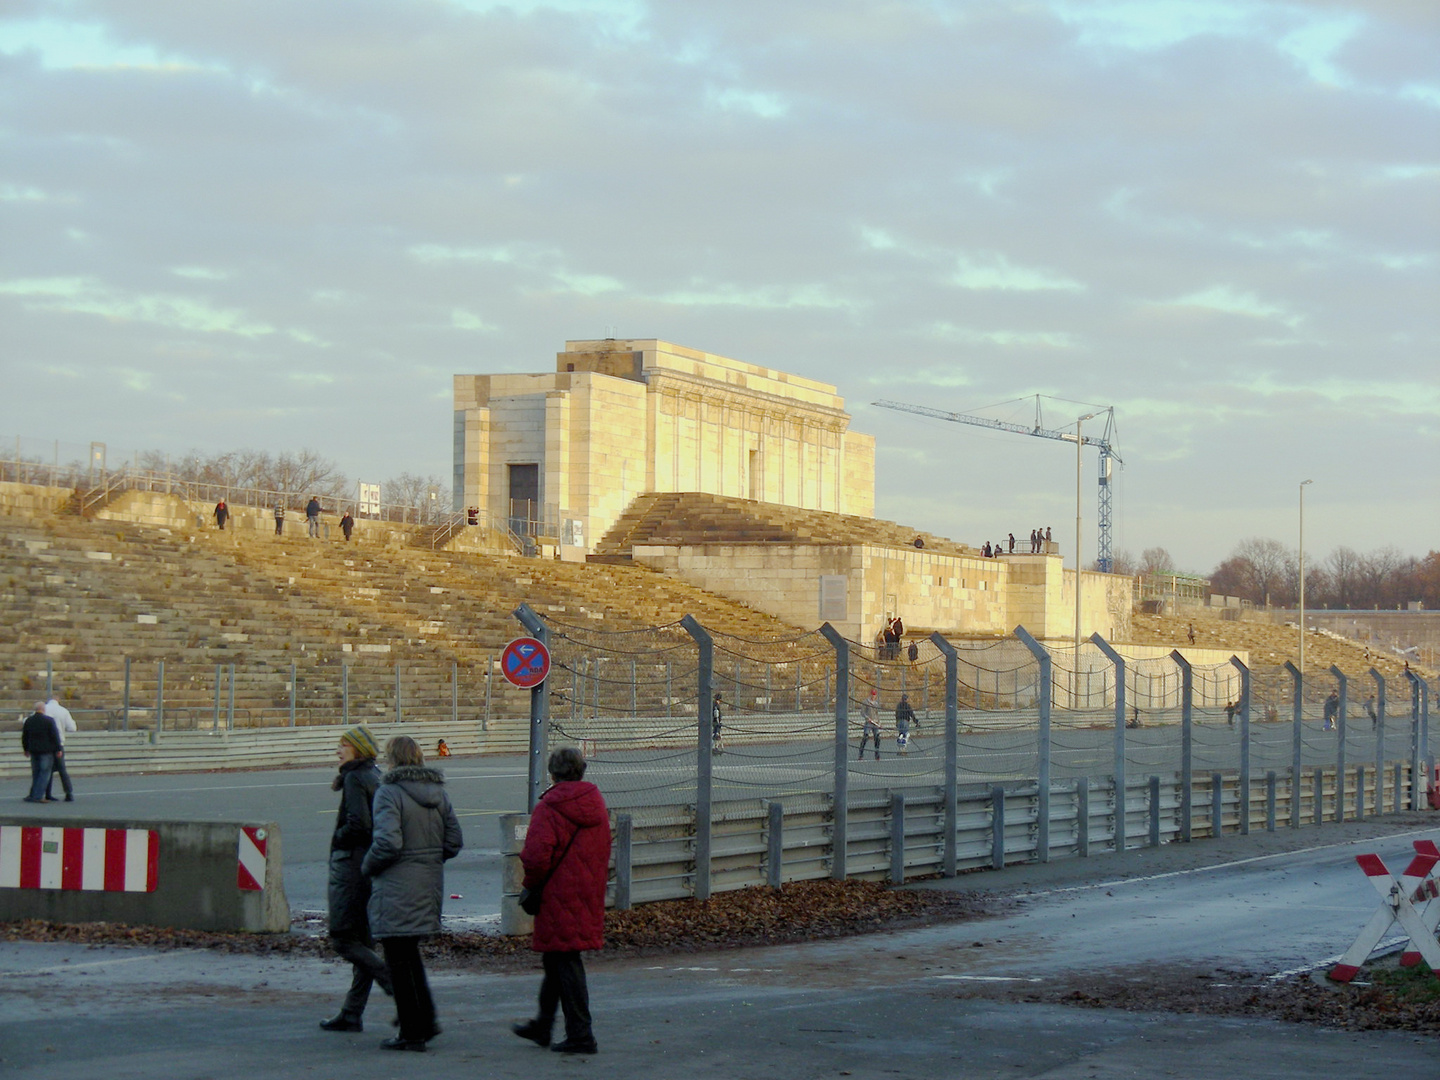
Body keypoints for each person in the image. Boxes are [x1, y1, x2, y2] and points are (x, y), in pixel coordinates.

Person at [361, 736, 463, 1052]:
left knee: (398, 958)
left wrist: (367, 866)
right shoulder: (438, 793)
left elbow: (388, 843)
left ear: (392, 760)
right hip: (428, 882)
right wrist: (429, 860)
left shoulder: (388, 793)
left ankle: (412, 1032)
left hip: (397, 883)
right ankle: (426, 1020)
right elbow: (454, 841)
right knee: (410, 955)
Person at [513, 747, 612, 1055]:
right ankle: (543, 1025)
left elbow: (536, 857)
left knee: (565, 960)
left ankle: (581, 1035)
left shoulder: (549, 807)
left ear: (552, 774)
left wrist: (530, 886)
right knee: (558, 957)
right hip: (586, 890)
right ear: (581, 771)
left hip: (558, 892)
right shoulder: (595, 803)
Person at [321, 725, 390, 1034]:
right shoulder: (375, 775)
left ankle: (391, 980)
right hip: (370, 865)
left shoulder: (354, 777)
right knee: (363, 941)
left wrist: (338, 839)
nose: (338, 751)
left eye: (343, 746)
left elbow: (358, 824)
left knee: (343, 938)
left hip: (350, 865)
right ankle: (351, 1013)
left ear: (357, 750)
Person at [21, 703, 61, 804]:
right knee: (44, 773)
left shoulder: (29, 720)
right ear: (43, 709)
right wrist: (58, 749)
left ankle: (32, 794)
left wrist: (25, 749)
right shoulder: (48, 720)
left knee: (36, 773)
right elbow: (54, 736)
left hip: (33, 750)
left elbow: (25, 736)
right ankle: (38, 796)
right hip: (46, 751)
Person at [43, 696, 76, 802]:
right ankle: (68, 793)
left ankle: (47, 793)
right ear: (58, 701)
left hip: (46, 744)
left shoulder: (43, 709)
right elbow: (72, 728)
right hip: (59, 744)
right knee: (62, 770)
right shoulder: (63, 711)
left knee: (47, 769)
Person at [859, 689, 881, 761]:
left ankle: (877, 754)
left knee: (877, 738)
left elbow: (877, 714)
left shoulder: (876, 704)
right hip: (868, 722)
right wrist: (867, 717)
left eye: (874, 695)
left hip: (875, 722)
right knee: (865, 737)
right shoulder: (866, 702)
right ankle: (861, 754)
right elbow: (862, 712)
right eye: (872, 694)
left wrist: (879, 722)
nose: (873, 696)